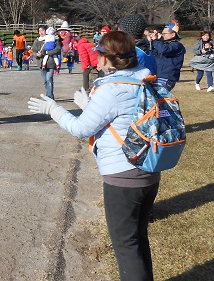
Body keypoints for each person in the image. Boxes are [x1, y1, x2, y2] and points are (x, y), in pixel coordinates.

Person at [28, 31, 158, 281]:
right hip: (149, 169)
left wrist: (54, 110)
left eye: (99, 55)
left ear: (110, 59)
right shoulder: (143, 80)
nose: (95, 60)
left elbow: (81, 129)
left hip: (123, 176)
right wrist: (89, 107)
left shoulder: (112, 89)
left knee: (125, 245)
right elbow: (122, 119)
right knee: (138, 238)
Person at [148, 20, 186, 90]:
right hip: (157, 75)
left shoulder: (177, 46)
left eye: (164, 33)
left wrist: (156, 40)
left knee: (159, 98)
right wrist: (151, 42)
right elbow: (154, 54)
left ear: (173, 34)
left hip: (167, 78)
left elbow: (164, 50)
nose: (162, 35)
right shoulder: (163, 44)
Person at [31, 25, 60, 99]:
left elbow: (58, 49)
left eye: (42, 30)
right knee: (45, 81)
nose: (41, 32)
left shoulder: (53, 39)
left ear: (46, 31)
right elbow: (33, 51)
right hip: (41, 63)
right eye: (39, 31)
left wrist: (48, 53)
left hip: (50, 62)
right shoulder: (37, 40)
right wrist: (36, 55)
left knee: (49, 79)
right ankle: (49, 94)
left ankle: (49, 97)